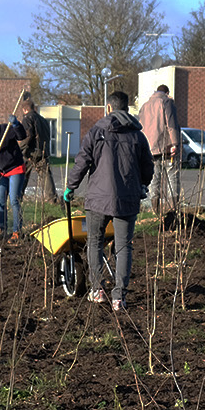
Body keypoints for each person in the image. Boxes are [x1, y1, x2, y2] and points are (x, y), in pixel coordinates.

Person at [64, 91, 154, 311]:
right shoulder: (137, 135)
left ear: (109, 108)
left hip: (98, 200)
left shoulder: (96, 132)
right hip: (128, 200)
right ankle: (119, 297)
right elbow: (148, 167)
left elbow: (83, 160)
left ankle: (97, 290)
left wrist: (70, 186)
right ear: (127, 109)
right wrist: (141, 184)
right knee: (123, 246)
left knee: (94, 242)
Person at [138, 83, 181, 216]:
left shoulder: (144, 106)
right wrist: (175, 143)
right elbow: (171, 124)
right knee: (172, 179)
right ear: (167, 93)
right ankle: (173, 211)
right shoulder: (166, 102)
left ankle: (156, 212)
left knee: (154, 181)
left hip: (150, 150)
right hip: (167, 149)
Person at [17, 97, 55, 200]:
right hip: (43, 150)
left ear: (25, 109)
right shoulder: (42, 119)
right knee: (46, 176)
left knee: (22, 174)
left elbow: (28, 136)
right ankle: (51, 199)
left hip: (32, 152)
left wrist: (21, 150)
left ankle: (17, 196)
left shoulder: (27, 118)